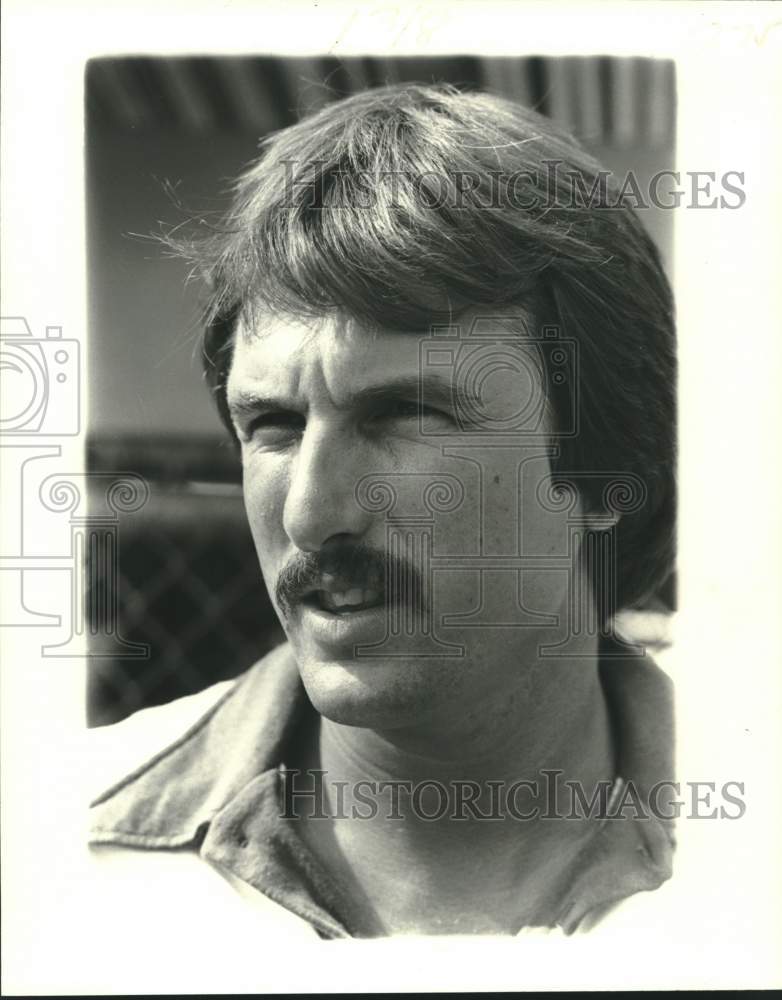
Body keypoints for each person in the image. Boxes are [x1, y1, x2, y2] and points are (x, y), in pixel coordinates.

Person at [88, 82, 677, 941]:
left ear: (602, 472)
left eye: (405, 415)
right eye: (274, 426)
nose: (311, 514)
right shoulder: (65, 852)